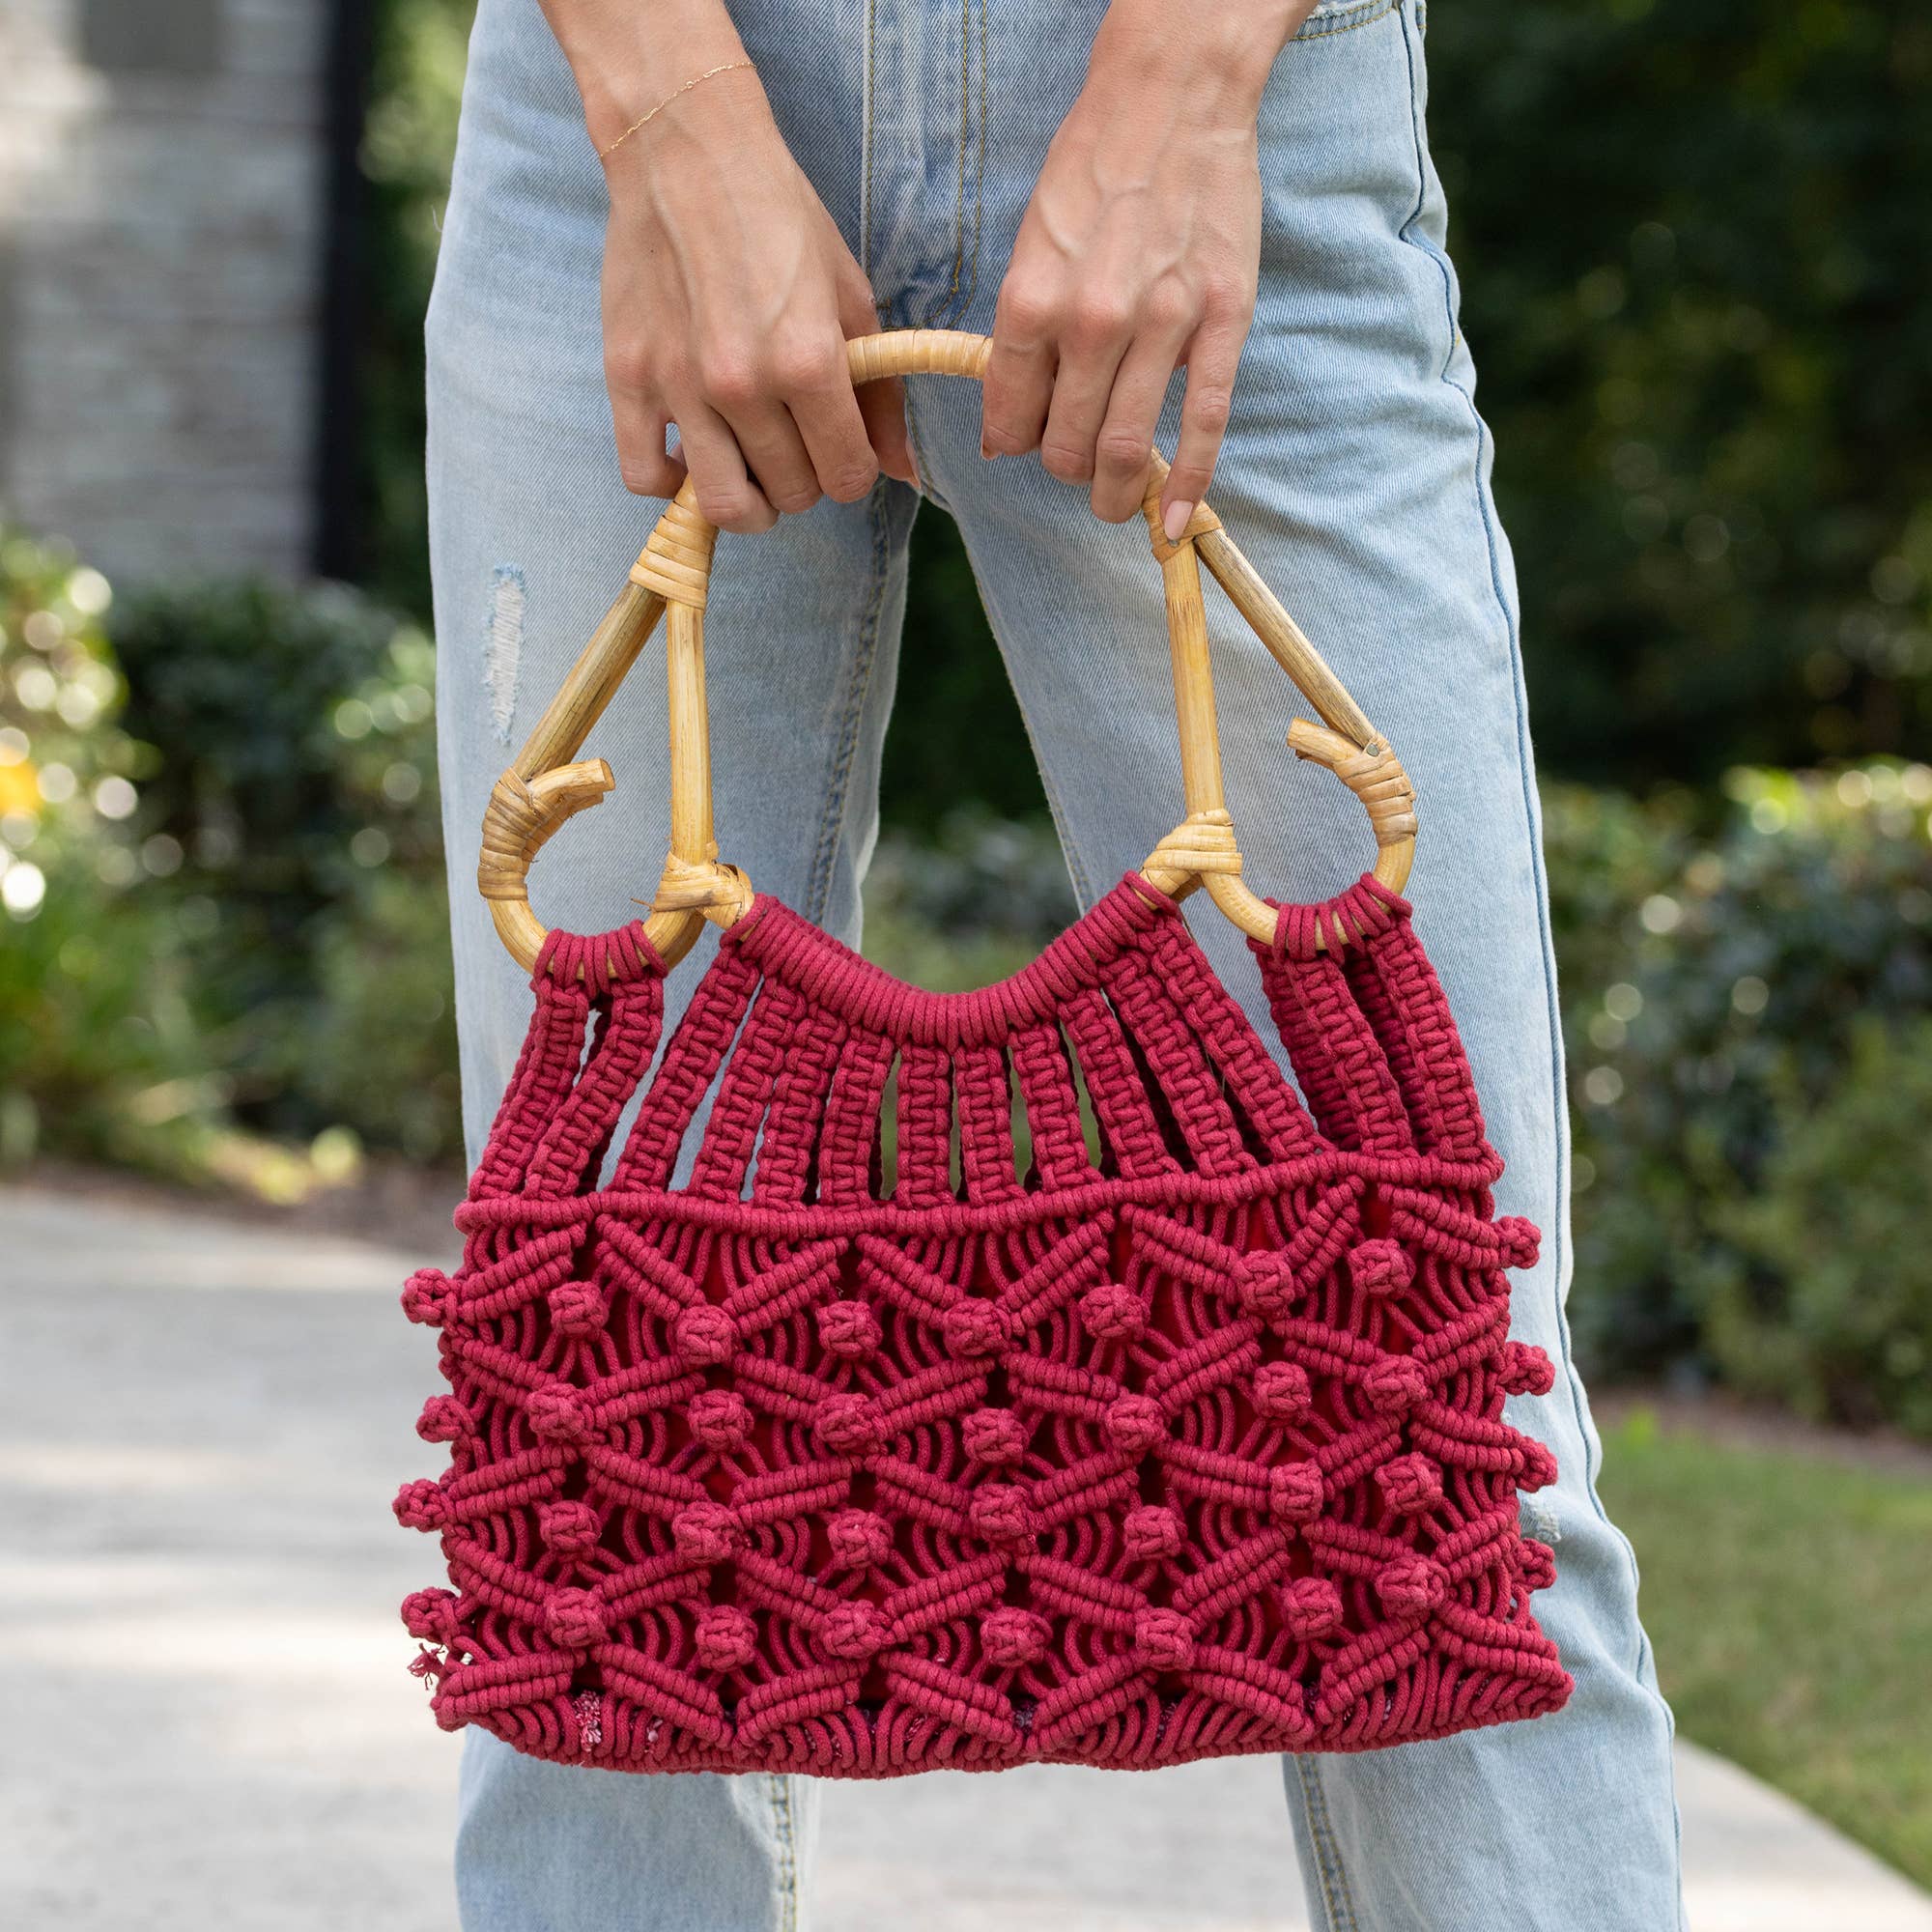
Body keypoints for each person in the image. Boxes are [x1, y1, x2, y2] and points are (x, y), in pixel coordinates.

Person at [425, 0, 1686, 1924]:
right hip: (634, 107)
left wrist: (1183, 84)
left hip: (1223, 101)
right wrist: (668, 117)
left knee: (1434, 1421)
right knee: (597, 1439)